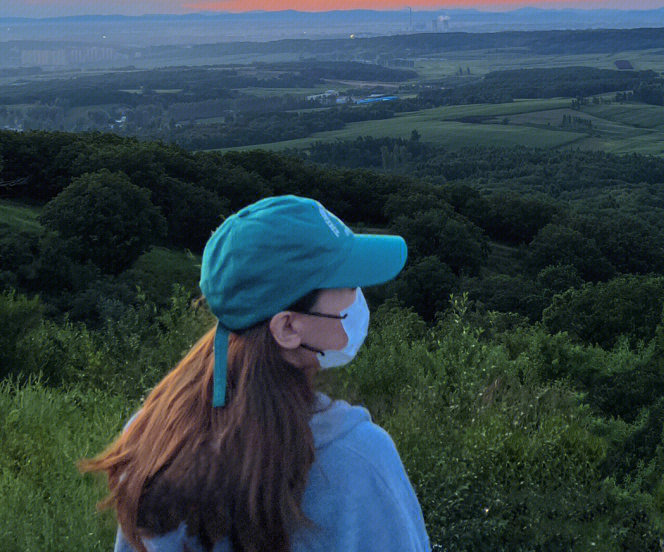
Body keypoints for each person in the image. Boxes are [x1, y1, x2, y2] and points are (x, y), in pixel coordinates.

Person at [81, 195, 431, 552]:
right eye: (347, 285)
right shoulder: (359, 461)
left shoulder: (153, 435)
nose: (359, 296)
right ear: (288, 328)